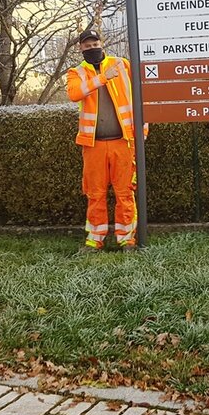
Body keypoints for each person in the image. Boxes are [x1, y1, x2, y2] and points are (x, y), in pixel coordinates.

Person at [67, 29, 143, 252]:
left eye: (95, 44)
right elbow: (74, 94)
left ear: (102, 43)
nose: (92, 48)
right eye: (87, 46)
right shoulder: (77, 72)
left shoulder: (122, 64)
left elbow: (140, 96)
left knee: (125, 192)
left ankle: (126, 240)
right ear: (80, 48)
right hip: (94, 144)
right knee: (95, 194)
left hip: (123, 141)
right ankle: (94, 240)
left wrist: (142, 132)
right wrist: (102, 78)